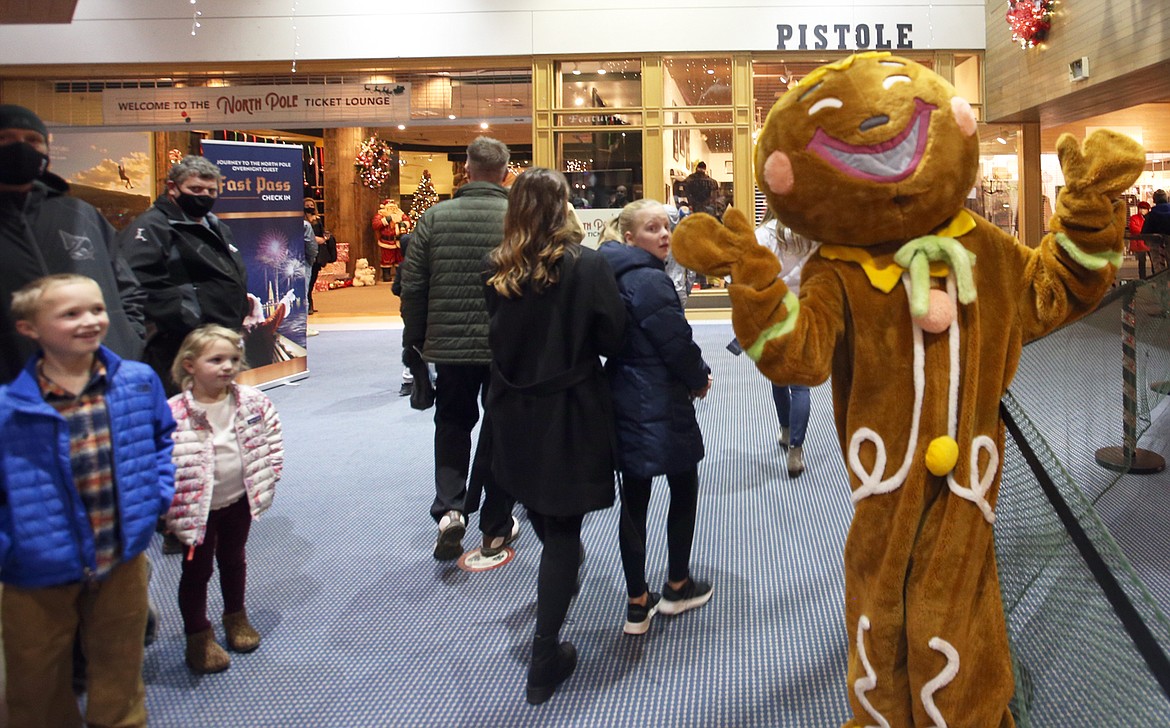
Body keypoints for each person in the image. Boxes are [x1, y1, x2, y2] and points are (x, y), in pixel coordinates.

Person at [0, 273, 175, 727]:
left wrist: (157, 496)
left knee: (120, 665)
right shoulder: (7, 408)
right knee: (36, 679)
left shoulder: (138, 382)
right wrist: (10, 548)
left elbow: (161, 441)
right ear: (29, 328)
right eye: (70, 314)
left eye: (97, 310)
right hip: (37, 571)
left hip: (122, 555)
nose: (89, 321)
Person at [483, 168, 627, 704]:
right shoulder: (586, 265)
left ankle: (559, 585)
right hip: (568, 412)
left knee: (545, 515)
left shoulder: (497, 268)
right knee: (563, 531)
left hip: (512, 411)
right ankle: (544, 654)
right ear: (562, 206)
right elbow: (614, 336)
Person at [599, 199, 713, 636]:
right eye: (652, 228)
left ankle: (636, 603)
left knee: (634, 500)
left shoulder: (612, 272)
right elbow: (675, 342)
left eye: (666, 227)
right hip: (660, 399)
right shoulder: (649, 280)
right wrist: (699, 377)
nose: (665, 235)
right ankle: (677, 585)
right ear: (630, 237)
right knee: (683, 486)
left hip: (624, 393)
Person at [400, 136, 518, 561]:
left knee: (452, 423)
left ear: (466, 169)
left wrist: (415, 341)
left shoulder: (434, 218)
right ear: (506, 173)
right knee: (501, 427)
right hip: (506, 344)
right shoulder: (517, 217)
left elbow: (412, 287)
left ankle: (450, 508)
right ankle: (495, 521)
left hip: (448, 345)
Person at [166, 324, 283, 674]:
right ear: (190, 365)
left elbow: (272, 437)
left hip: (239, 500)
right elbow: (158, 459)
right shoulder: (173, 412)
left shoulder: (253, 401)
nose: (227, 366)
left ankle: (236, 616)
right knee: (196, 570)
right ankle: (198, 634)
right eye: (216, 359)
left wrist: (269, 474)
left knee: (234, 559)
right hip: (194, 509)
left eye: (233, 358)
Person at [0, 104, 146, 384]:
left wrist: (128, 342)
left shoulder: (81, 215)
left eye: (32, 140)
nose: (21, 148)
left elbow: (128, 288)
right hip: (14, 396)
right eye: (6, 138)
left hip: (104, 383)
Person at [118, 154, 249, 397]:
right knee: (181, 413)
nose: (204, 196)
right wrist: (188, 320)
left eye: (211, 191)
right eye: (196, 189)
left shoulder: (217, 227)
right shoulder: (152, 227)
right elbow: (138, 283)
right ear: (173, 188)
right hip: (179, 344)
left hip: (221, 339)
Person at [755, 213, 819, 477]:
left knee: (778, 378)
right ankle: (796, 449)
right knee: (800, 384)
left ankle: (785, 429)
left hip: (774, 312)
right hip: (805, 310)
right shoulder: (811, 232)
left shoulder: (764, 234)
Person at [304, 199, 326, 314]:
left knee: (312, 280)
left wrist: (323, 239)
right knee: (306, 280)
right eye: (307, 205)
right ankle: (308, 305)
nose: (309, 207)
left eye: (311, 205)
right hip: (306, 254)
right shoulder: (302, 222)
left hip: (316, 254)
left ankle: (310, 302)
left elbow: (322, 234)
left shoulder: (317, 220)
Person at [1141, 189, 1170, 274]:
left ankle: (1161, 284)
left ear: (1154, 200)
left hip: (1156, 245)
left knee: (1158, 269)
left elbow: (1144, 233)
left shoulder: (1150, 216)